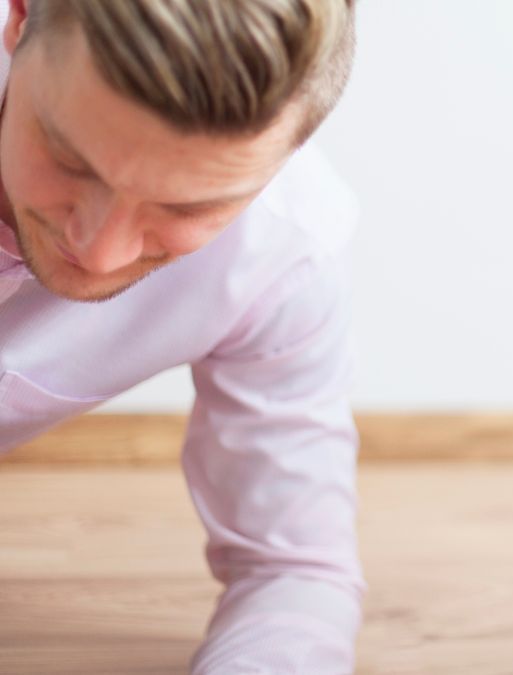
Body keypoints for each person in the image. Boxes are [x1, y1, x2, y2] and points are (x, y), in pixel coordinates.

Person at [0, 0, 363, 672]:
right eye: (69, 159)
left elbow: (293, 571)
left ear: (291, 150)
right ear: (19, 19)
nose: (99, 252)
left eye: (189, 206)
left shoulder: (288, 253)